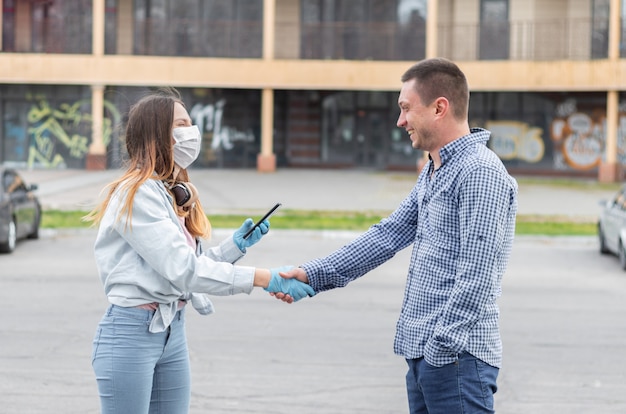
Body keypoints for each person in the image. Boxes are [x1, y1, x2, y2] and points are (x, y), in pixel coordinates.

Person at [274, 58, 518, 414]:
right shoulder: (437, 170)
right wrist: (313, 274)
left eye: (406, 108)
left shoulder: (479, 172)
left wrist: (442, 347)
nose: (400, 121)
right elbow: (388, 234)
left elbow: (478, 275)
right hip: (427, 358)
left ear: (439, 108)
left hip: (456, 361)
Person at [85, 87, 313, 414]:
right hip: (130, 334)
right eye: (181, 124)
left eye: (190, 122)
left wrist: (235, 247)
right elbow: (185, 271)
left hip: (172, 330)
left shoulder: (168, 191)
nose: (192, 132)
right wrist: (266, 278)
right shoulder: (136, 195)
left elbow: (186, 268)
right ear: (156, 134)